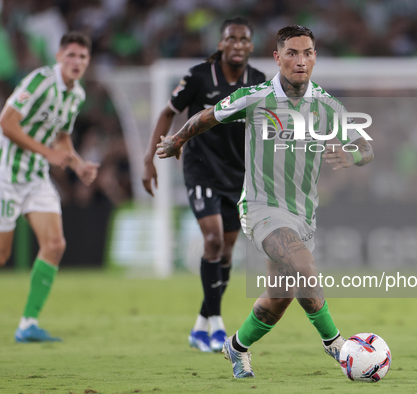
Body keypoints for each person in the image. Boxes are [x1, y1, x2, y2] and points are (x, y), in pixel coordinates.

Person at [156, 25, 374, 377]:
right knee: (305, 269)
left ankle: (236, 347)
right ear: (277, 57)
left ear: (315, 57)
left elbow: (367, 149)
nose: (300, 61)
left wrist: (350, 155)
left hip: (303, 214)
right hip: (261, 208)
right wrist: (177, 141)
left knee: (277, 300)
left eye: (307, 53)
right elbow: (206, 116)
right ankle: (335, 344)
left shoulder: (328, 106)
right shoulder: (255, 97)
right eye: (292, 53)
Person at [0, 31, 98, 342]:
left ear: (88, 63)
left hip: (35, 178)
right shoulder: (39, 81)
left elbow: (62, 138)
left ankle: (27, 324)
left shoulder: (77, 96)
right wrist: (48, 153)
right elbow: (6, 122)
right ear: (59, 55)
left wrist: (78, 164)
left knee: (55, 244)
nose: (76, 62)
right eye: (70, 55)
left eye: (82, 57)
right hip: (4, 174)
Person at [142, 17, 266, 353]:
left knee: (225, 252)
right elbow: (168, 113)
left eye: (244, 39)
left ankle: (201, 324)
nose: (238, 44)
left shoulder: (258, 82)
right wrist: (148, 159)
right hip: (200, 169)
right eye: (232, 38)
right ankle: (217, 325)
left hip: (238, 176)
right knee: (211, 240)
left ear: (251, 46)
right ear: (221, 44)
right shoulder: (198, 77)